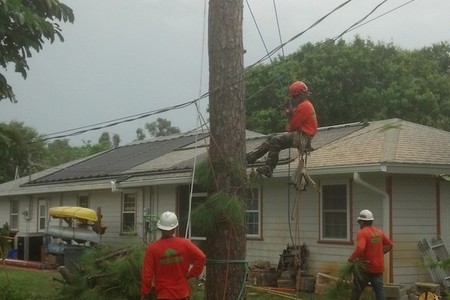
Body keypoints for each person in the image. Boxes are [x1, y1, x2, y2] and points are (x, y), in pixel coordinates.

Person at [246, 80, 318, 178]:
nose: (294, 99)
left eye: (294, 96)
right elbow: (292, 127)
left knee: (276, 140)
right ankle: (253, 156)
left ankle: (269, 167)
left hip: (303, 137)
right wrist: (291, 114)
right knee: (272, 138)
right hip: (304, 136)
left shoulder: (303, 106)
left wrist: (289, 115)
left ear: (301, 94)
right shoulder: (306, 105)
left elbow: (291, 127)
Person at [140, 211, 206, 300]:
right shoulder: (185, 244)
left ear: (160, 228)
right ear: (175, 227)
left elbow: (147, 274)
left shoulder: (152, 249)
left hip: (163, 294)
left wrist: (145, 291)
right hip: (182, 293)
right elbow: (201, 257)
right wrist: (191, 274)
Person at [348, 209, 393, 300]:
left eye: (359, 221)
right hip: (378, 268)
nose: (359, 224)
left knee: (356, 291)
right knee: (379, 292)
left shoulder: (362, 233)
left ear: (362, 222)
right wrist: (381, 253)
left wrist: (351, 259)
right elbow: (390, 244)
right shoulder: (378, 232)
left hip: (365, 268)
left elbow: (360, 248)